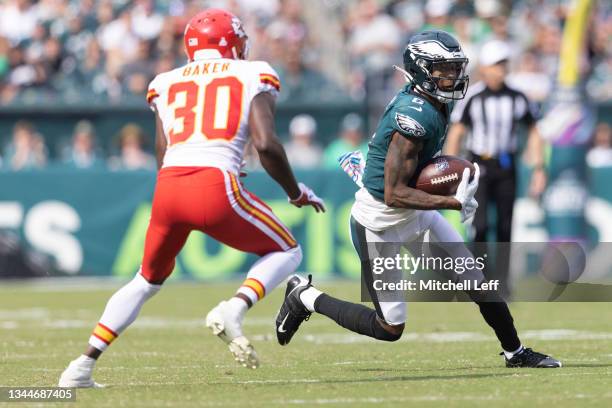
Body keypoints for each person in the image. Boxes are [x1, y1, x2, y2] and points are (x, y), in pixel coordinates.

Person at [59, 9, 325, 388]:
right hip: (214, 184)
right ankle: (234, 309)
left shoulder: (165, 81)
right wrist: (295, 191)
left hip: (169, 185)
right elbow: (266, 144)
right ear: (231, 41)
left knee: (146, 280)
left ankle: (80, 367)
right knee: (288, 251)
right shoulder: (252, 72)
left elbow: (162, 149)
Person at [275, 30, 561, 369]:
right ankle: (305, 296)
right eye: (444, 68)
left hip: (414, 213)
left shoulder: (434, 103)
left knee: (476, 280)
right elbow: (394, 193)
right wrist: (452, 202)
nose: (453, 75)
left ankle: (516, 352)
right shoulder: (413, 115)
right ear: (423, 69)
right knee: (390, 328)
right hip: (379, 224)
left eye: (456, 67)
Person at [444, 40, 547, 293]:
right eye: (496, 65)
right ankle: (480, 279)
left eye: (504, 64)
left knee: (504, 227)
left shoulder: (518, 98)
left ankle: (502, 283)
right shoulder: (474, 98)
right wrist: (449, 169)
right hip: (478, 166)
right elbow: (457, 133)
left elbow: (534, 130)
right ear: (486, 68)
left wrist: (538, 168)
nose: (501, 70)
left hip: (506, 166)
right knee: (479, 226)